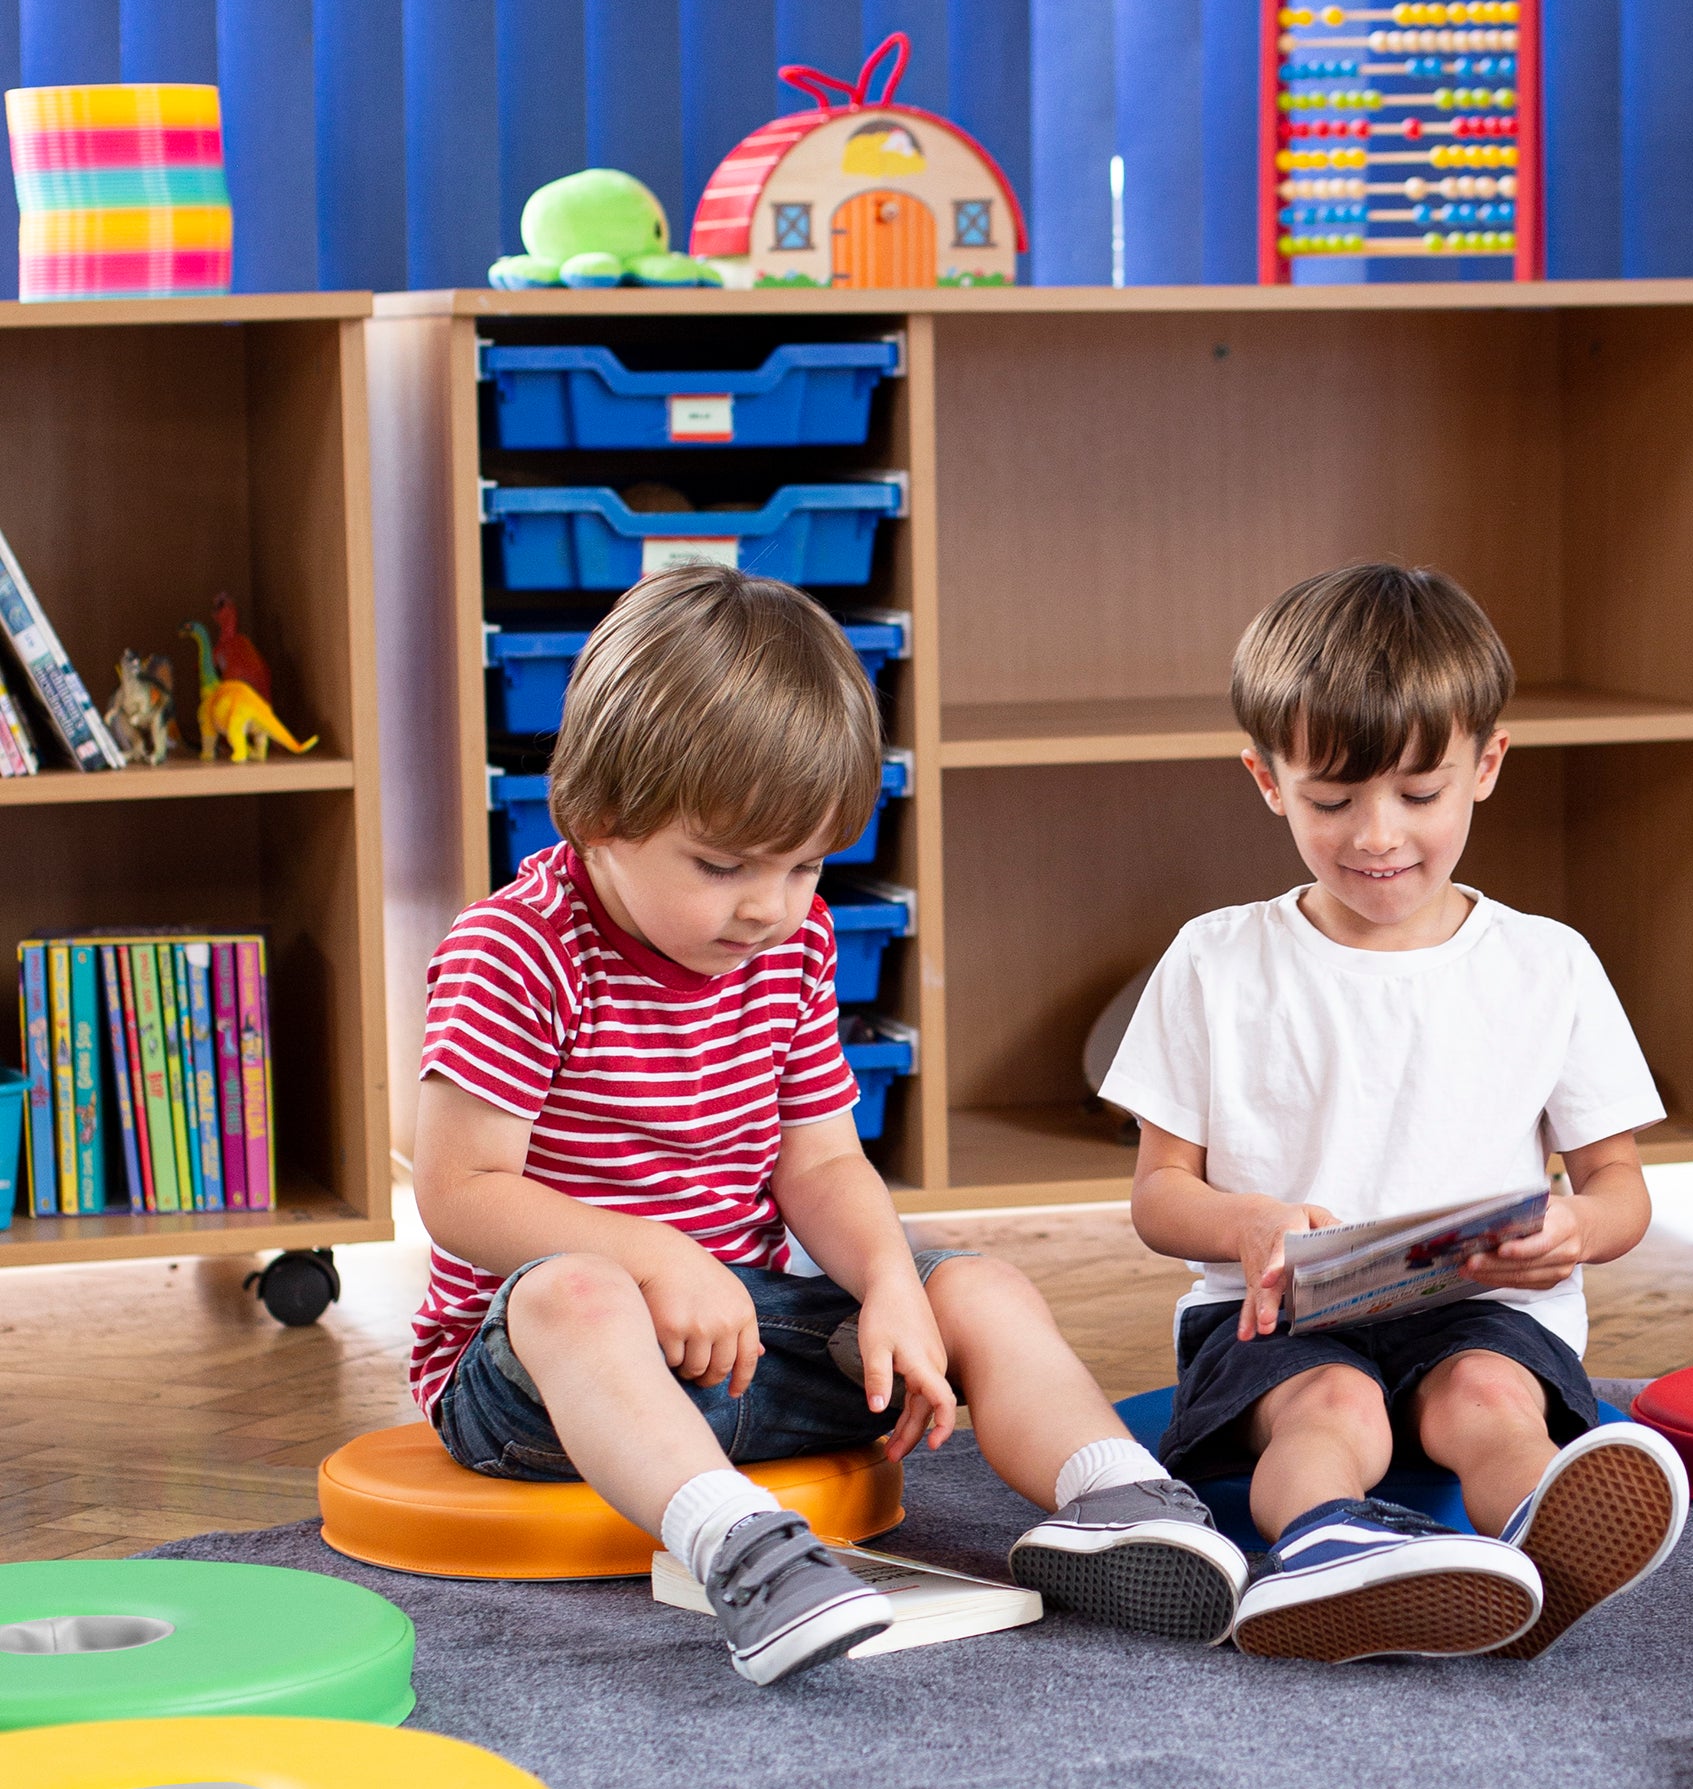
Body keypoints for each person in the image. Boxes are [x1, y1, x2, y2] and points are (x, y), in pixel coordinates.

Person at [410, 567, 1245, 1682]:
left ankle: (1120, 1501)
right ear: (600, 815)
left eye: (804, 864)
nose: (771, 905)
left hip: (746, 1358)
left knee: (975, 1284)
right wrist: (654, 1257)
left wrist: (892, 1283)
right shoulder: (516, 949)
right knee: (578, 1291)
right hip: (537, 1385)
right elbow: (457, 1190)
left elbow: (821, 1161)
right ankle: (743, 1553)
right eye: (723, 866)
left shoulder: (787, 951)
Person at [1100, 561, 1689, 1663]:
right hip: (1278, 1312)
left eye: (1419, 795)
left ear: (1487, 766)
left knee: (1485, 1400)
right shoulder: (1215, 960)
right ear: (1267, 779)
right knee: (1333, 1410)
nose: (1377, 836)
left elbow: (1619, 1191)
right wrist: (1245, 1225)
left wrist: (1576, 1232)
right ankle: (1324, 1551)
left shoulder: (1544, 964)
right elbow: (1156, 1193)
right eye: (1331, 800)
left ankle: (1541, 1546)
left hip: (1481, 1305)